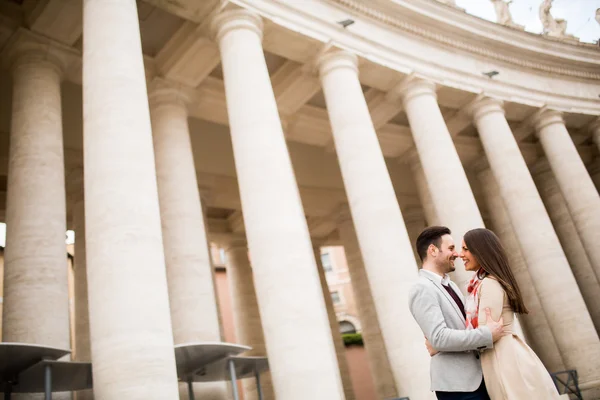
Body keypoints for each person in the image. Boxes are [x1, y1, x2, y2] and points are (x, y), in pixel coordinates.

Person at [459, 228, 561, 399]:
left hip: (503, 359)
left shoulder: (489, 284)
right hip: (504, 355)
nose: (460, 254)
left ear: (480, 251)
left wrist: (440, 344)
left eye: (465, 249)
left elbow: (483, 334)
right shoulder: (486, 283)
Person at [409, 226, 508, 400]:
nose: (457, 254)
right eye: (451, 248)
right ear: (433, 250)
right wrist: (487, 335)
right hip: (459, 387)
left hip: (477, 379)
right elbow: (439, 337)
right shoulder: (422, 288)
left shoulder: (451, 285)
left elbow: (459, 329)